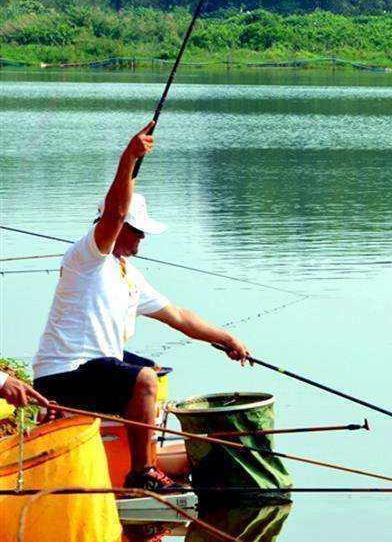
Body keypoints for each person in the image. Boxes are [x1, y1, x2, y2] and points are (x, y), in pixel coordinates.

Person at [31, 121, 251, 491]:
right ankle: (143, 473)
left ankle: (136, 449)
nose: (143, 238)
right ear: (120, 229)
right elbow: (114, 214)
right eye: (139, 230)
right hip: (63, 374)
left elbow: (178, 316)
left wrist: (226, 338)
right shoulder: (88, 258)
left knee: (151, 370)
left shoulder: (127, 274)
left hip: (94, 368)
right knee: (143, 380)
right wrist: (129, 158)